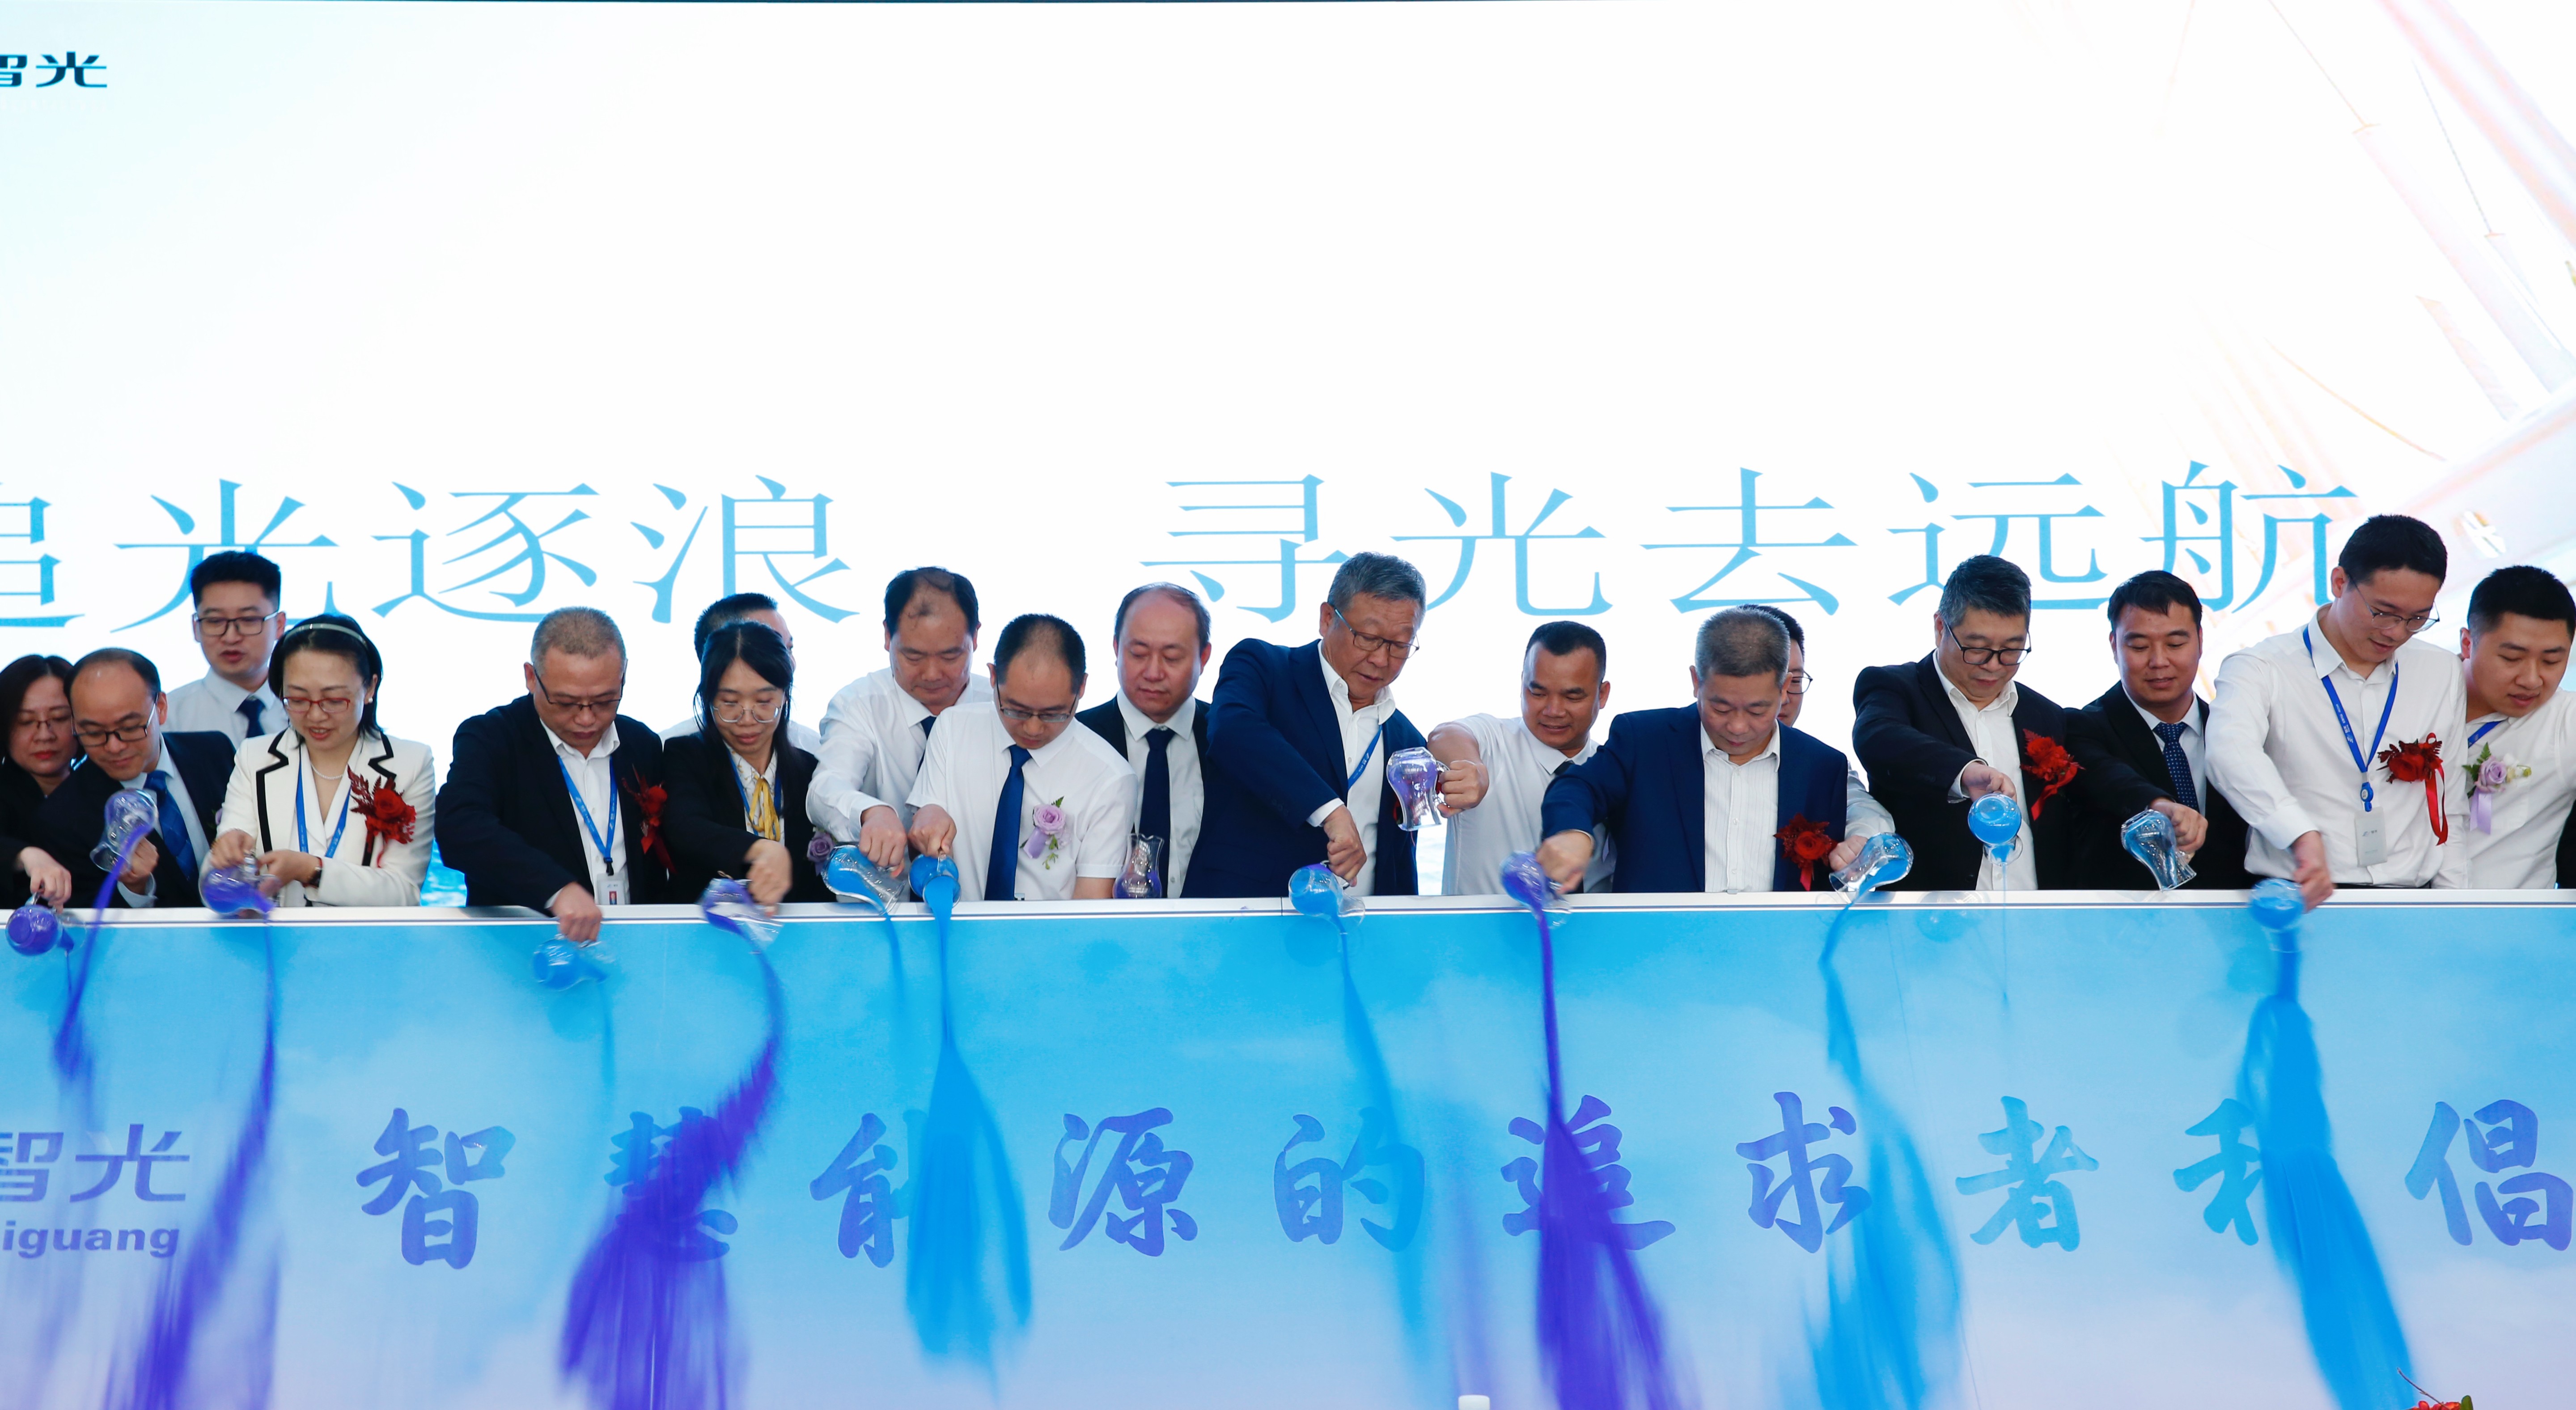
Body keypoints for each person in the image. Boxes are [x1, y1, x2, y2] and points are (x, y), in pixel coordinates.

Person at [1853, 555, 2203, 891]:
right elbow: (1879, 737)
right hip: (1928, 917)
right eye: (1977, 648)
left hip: (2035, 914)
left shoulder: (2044, 716)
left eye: (2012, 649)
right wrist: (1965, 773)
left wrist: (2154, 804)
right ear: (1940, 627)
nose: (1994, 665)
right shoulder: (1896, 688)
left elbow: (2098, 774)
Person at [2207, 514, 2468, 907]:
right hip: (2299, 898)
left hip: (2411, 902)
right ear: (2340, 582)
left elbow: (2450, 804)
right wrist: (2299, 834)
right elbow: (2229, 752)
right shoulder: (2261, 668)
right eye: (2383, 612)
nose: (2397, 632)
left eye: (2417, 618)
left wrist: (2456, 905)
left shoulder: (2441, 670)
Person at [1534, 609, 1891, 893]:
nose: (1738, 726)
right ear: (1696, 681)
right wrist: (1572, 832)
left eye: (1757, 710)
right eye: (1721, 708)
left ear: (1785, 689)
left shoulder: (1821, 766)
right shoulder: (1644, 741)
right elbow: (1578, 787)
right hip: (1657, 950)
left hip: (1781, 950)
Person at [1187, 553, 1434, 898]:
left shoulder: (1407, 741)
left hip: (1357, 926)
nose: (1381, 659)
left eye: (1399, 645)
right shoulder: (1265, 669)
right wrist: (1330, 811)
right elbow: (1232, 733)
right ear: (1327, 618)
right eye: (1368, 637)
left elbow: (1400, 863)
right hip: (1248, 917)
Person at [436, 607, 669, 940]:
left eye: (605, 701)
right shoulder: (493, 738)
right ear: (532, 677)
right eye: (566, 703)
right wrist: (556, 889)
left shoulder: (641, 743)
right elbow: (459, 826)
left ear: (624, 676)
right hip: (523, 949)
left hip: (633, 944)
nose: (587, 719)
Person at [204, 616, 437, 906]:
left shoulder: (410, 763)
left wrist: (311, 870)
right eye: (298, 700)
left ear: (370, 688)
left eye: (335, 700)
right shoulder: (255, 757)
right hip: (274, 933)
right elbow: (216, 879)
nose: (316, 716)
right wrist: (228, 860)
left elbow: (404, 891)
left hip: (369, 934)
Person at [906, 614, 1135, 901]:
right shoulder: (953, 729)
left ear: (1082, 687)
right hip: (954, 925)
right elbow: (924, 847)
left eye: (1053, 714)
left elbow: (1089, 908)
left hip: (1050, 930)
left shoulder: (1111, 778)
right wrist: (928, 817)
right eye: (1016, 711)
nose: (1033, 728)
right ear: (993, 677)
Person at [2068, 572, 2254, 890]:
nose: (2159, 661)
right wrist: (2158, 806)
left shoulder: (2237, 729)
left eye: (2175, 644)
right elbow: (2109, 779)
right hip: (2128, 917)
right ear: (2115, 646)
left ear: (2200, 640)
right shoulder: (2082, 728)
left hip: (2234, 915)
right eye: (2139, 646)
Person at [808, 568, 993, 875]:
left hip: (982, 897)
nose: (932, 674)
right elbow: (825, 788)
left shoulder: (999, 708)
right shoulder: (859, 704)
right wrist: (870, 812)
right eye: (914, 657)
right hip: (881, 897)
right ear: (887, 636)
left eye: (950, 657)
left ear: (975, 637)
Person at [1430, 621, 1618, 895]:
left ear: (1602, 694)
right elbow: (1446, 734)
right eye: (1538, 693)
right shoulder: (1493, 741)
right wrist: (1471, 769)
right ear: (1522, 684)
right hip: (1480, 924)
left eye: (1572, 697)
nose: (1554, 710)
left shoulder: (1613, 769)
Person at [40, 650, 233, 909]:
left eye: (130, 728)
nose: (114, 747)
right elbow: (85, 918)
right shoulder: (62, 817)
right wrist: (135, 888)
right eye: (93, 733)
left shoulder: (215, 752)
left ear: (161, 708)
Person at [664, 620, 830, 905]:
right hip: (710, 926)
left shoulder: (809, 770)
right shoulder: (685, 756)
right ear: (707, 698)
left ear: (785, 695)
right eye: (730, 703)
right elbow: (686, 827)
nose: (748, 719)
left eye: (764, 702)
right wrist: (760, 849)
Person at [1076, 583, 1213, 897]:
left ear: (1204, 656)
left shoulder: (1232, 741)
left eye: (1172, 657)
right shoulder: (1078, 737)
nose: (1153, 673)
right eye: (1138, 654)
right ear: (1116, 649)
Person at [2447, 566, 2576, 888]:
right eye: (2512, 658)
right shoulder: (2415, 695)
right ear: (2468, 643)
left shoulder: (2564, 721)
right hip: (2383, 906)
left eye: (2551, 661)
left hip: (2508, 917)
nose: (2532, 680)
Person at [658, 592, 821, 753]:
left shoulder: (813, 749)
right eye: (768, 649)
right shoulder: (667, 752)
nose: (790, 664)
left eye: (789, 649)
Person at [163, 551, 288, 741]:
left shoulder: (310, 711)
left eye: (248, 620)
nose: (231, 638)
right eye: (215, 621)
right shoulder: (169, 720)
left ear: (279, 625)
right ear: (196, 627)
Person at [0, 655, 79, 909]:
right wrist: (24, 855)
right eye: (26, 722)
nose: (45, 735)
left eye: (60, 718)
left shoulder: (102, 790)